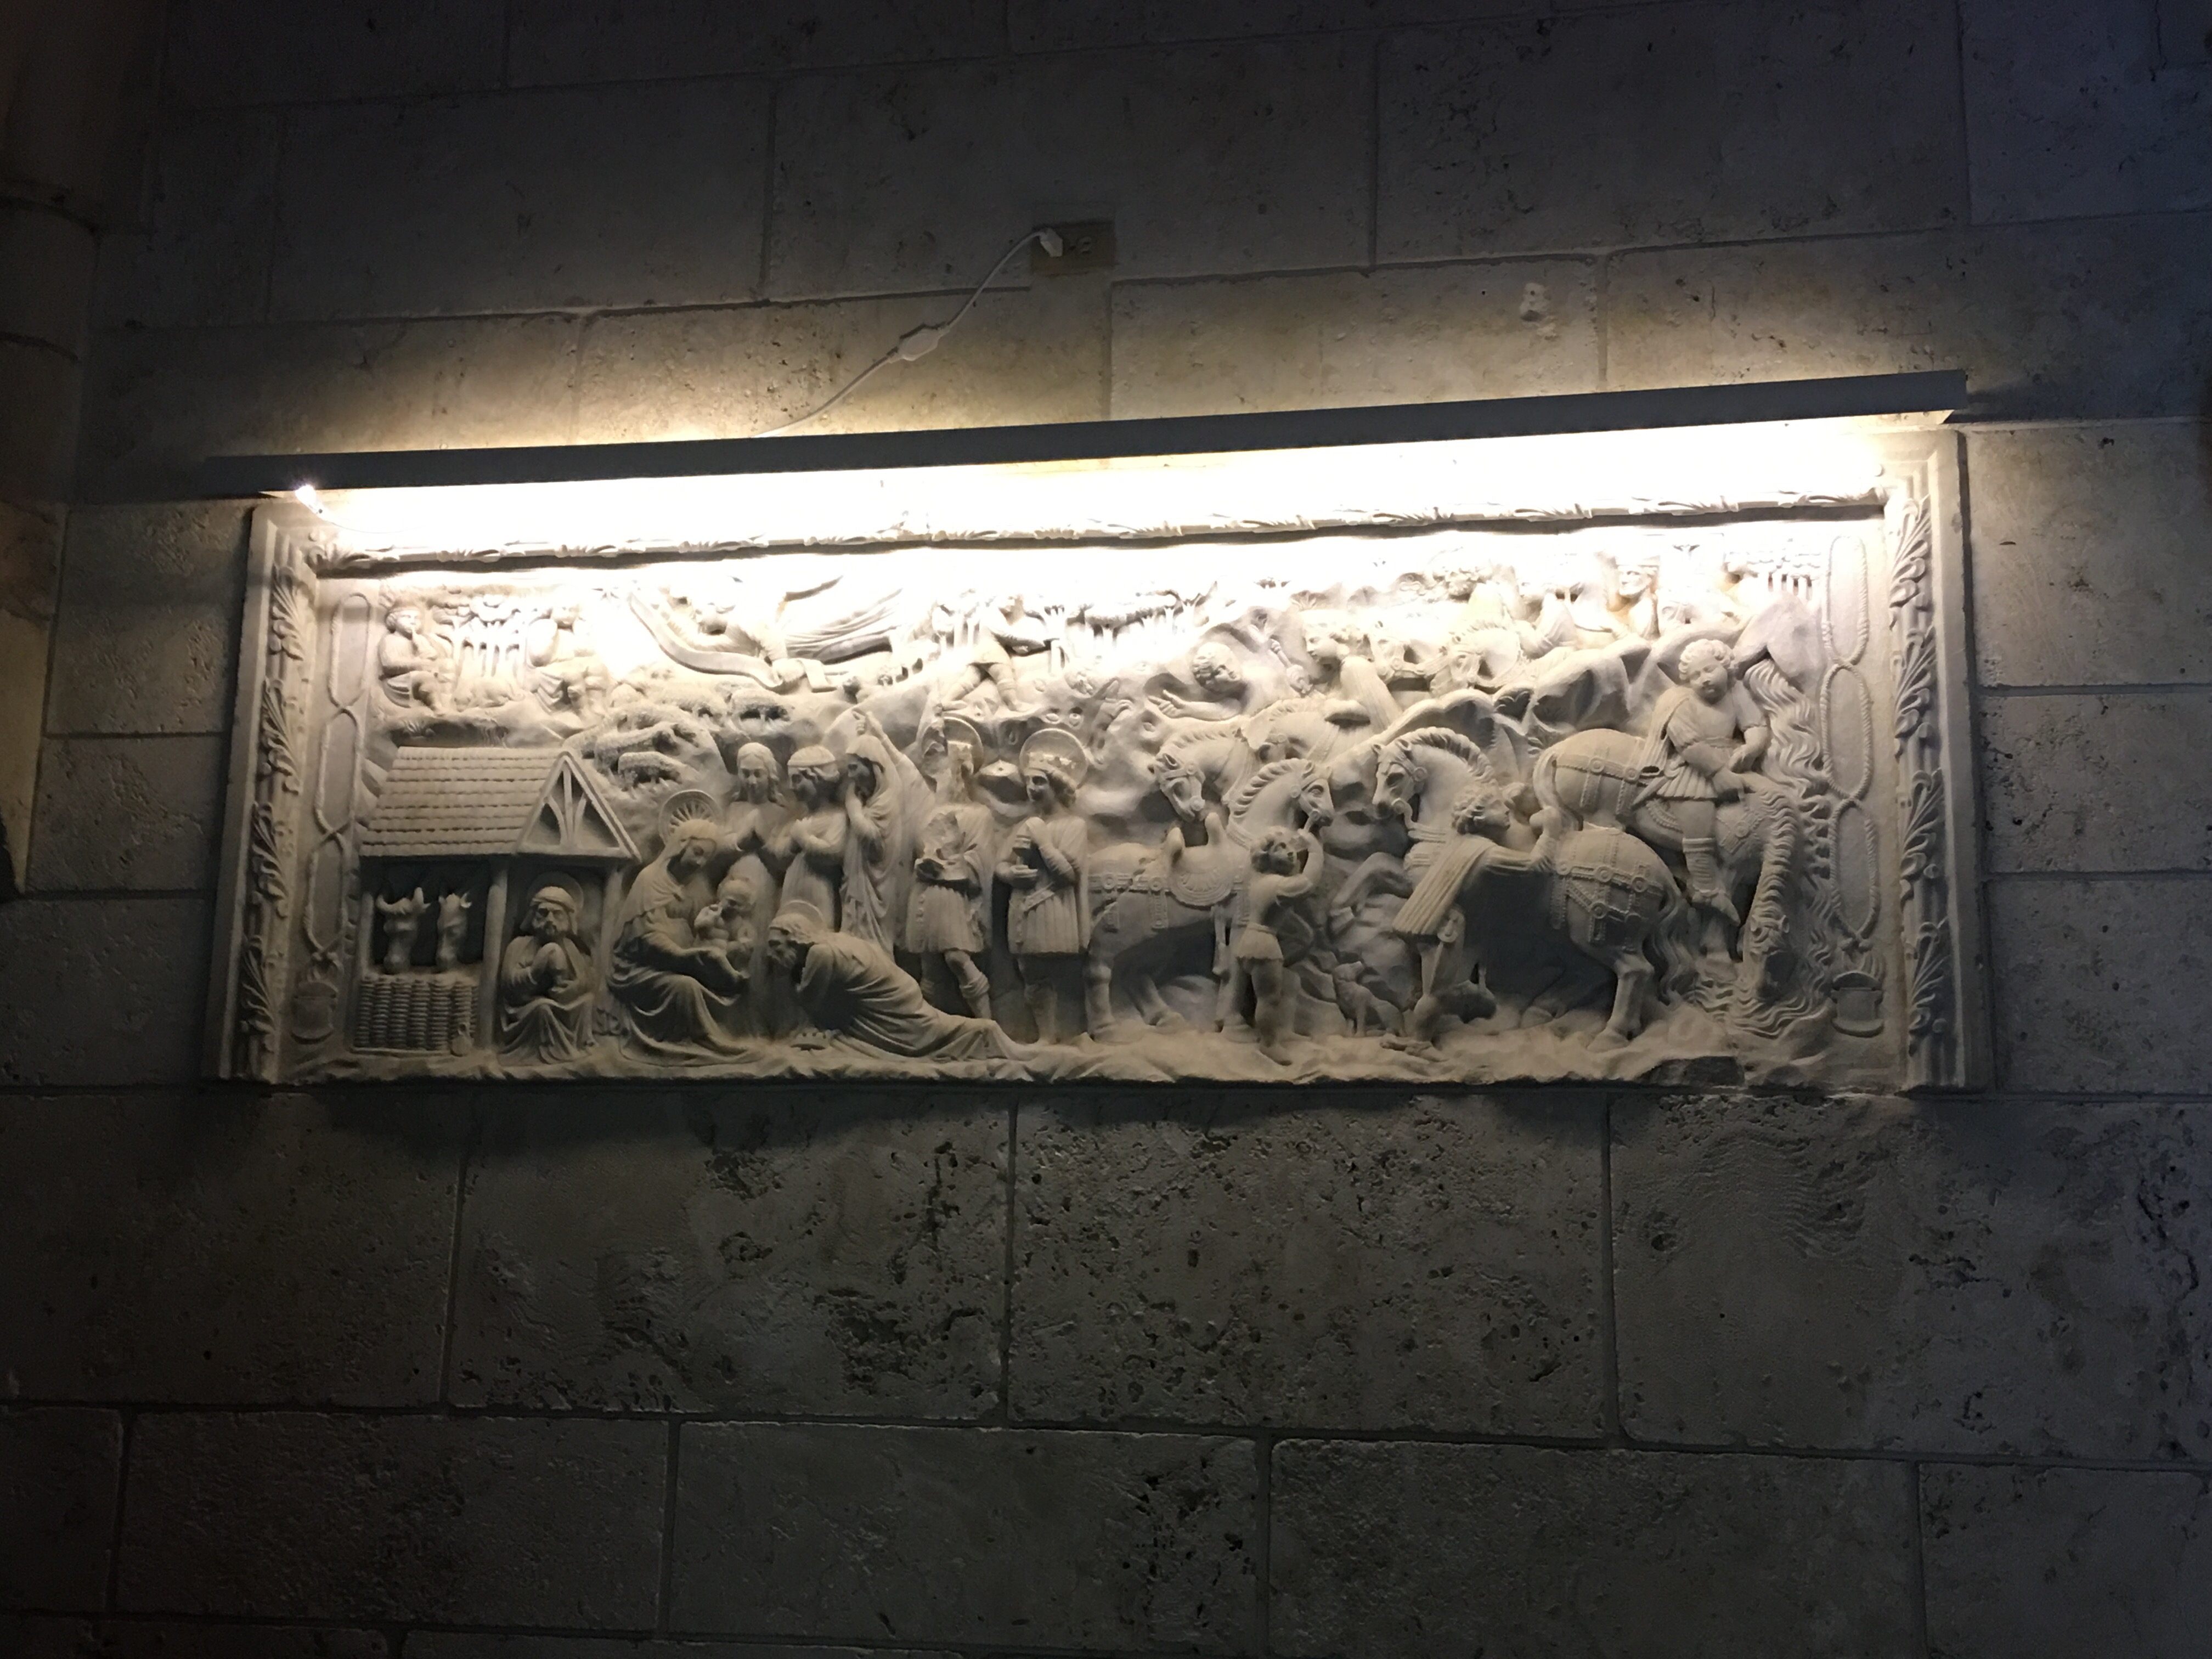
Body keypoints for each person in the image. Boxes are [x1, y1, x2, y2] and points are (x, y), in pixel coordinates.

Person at [766, 904, 1019, 1062]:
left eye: (776, 945)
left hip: (891, 1005)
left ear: (795, 937)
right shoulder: (835, 940)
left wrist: (789, 976)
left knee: (927, 1038)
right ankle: (982, 1033)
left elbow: (808, 1000)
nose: (771, 955)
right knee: (935, 1028)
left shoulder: (820, 954)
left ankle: (984, 1033)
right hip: (900, 991)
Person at [1633, 637, 1768, 924]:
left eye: (1709, 670)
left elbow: (1755, 724)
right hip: (1694, 770)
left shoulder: (1736, 693)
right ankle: (1706, 888)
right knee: (1698, 819)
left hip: (1733, 762)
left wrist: (1753, 747)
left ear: (1726, 667)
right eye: (1695, 675)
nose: (1704, 679)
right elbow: (1688, 743)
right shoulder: (1679, 700)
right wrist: (1718, 773)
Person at [608, 819, 748, 1055]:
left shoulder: (698, 886)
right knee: (685, 987)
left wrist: (712, 936)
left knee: (720, 981)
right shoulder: (650, 880)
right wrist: (683, 956)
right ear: (680, 845)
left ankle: (733, 1032)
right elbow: (646, 938)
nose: (700, 863)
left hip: (685, 959)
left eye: (706, 858)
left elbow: (704, 926)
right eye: (697, 853)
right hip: (642, 967)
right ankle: (702, 1040)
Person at [997, 732, 1091, 1043]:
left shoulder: (1073, 826)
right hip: (1023, 907)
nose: (1032, 789)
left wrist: (1043, 841)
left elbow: (1068, 874)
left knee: (1056, 971)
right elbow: (1001, 864)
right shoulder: (1022, 827)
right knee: (1030, 972)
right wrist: (1011, 875)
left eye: (1039, 782)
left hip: (1055, 907)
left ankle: (1069, 1033)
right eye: (1029, 782)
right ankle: (1045, 1036)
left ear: (1056, 787)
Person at [906, 737, 996, 1019]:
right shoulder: (927, 815)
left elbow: (980, 860)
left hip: (955, 898)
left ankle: (987, 1025)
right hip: (926, 894)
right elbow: (917, 851)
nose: (943, 779)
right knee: (929, 966)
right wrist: (925, 864)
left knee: (957, 958)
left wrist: (948, 868)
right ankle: (931, 1029)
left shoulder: (979, 815)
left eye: (949, 771)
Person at [1226, 824, 1322, 1062]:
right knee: (1268, 998)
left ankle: (1281, 1031)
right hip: (1263, 945)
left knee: (1282, 988)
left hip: (1255, 942)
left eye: (1289, 847)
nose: (1289, 852)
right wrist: (1315, 850)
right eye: (1280, 848)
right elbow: (1307, 884)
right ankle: (1269, 1044)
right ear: (1266, 857)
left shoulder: (1262, 880)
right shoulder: (1274, 886)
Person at [496, 878, 596, 1063]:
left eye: (557, 914)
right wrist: (536, 969)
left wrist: (570, 990)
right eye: (543, 913)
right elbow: (509, 984)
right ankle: (549, 1053)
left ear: (569, 919)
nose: (550, 920)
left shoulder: (571, 948)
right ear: (532, 917)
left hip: (561, 1004)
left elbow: (585, 981)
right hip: (526, 1007)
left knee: (588, 1001)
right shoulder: (519, 945)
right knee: (543, 1008)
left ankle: (581, 1046)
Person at [768, 746, 847, 927]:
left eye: (797, 779)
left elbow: (834, 853)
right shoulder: (798, 819)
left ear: (818, 780)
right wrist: (792, 845)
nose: (792, 787)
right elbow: (779, 858)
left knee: (818, 931)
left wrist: (804, 839)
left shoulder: (836, 817)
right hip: (792, 889)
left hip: (819, 890)